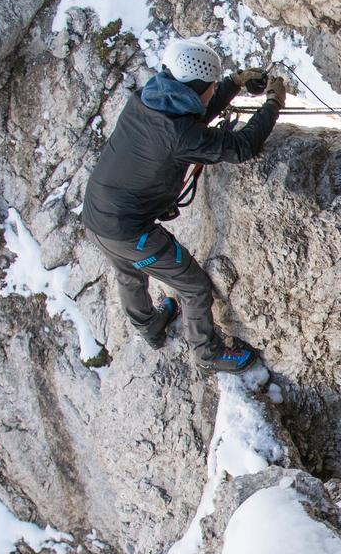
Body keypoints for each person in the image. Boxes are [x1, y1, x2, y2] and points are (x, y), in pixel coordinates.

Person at [81, 37, 283, 373]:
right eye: (212, 87)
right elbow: (242, 146)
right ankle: (208, 353)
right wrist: (274, 103)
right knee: (193, 285)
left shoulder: (148, 99)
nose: (210, 93)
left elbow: (191, 117)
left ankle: (150, 327)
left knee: (128, 273)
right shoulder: (178, 135)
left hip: (97, 214)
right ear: (200, 87)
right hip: (130, 231)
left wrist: (233, 85)